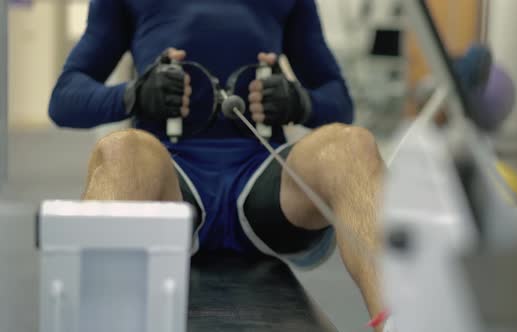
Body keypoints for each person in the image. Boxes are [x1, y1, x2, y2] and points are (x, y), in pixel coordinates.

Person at [49, 0, 390, 330]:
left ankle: (401, 322)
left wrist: (298, 101)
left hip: (265, 190)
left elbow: (338, 102)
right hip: (172, 185)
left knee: (352, 145)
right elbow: (64, 99)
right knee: (121, 150)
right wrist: (133, 95)